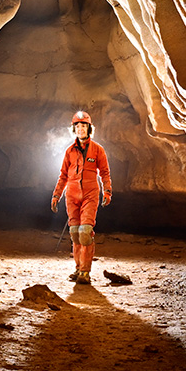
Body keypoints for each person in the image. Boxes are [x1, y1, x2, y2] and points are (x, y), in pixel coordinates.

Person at [51, 109, 112, 284]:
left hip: (90, 195)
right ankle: (78, 269)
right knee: (75, 233)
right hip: (72, 196)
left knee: (85, 232)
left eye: (83, 126)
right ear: (74, 129)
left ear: (89, 128)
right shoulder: (69, 151)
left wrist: (107, 190)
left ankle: (85, 272)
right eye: (77, 126)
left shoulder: (98, 150)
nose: (80, 129)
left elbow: (105, 173)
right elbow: (63, 175)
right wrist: (57, 195)